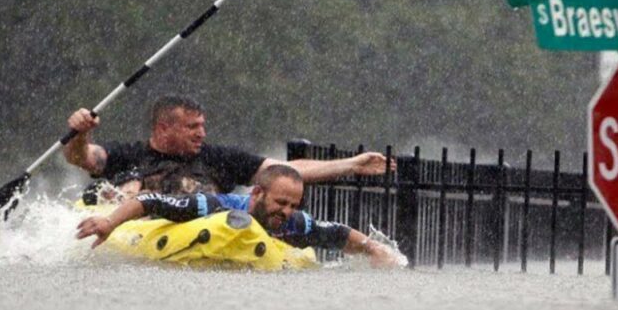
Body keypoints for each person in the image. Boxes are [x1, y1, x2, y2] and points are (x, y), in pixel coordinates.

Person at [76, 164, 405, 269]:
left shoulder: (291, 221)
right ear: (257, 194)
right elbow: (151, 200)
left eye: (293, 205)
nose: (286, 212)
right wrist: (109, 222)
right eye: (280, 203)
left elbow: (337, 232)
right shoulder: (214, 205)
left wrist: (375, 249)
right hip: (172, 234)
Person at [64, 95, 393, 195]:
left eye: (203, 126)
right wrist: (80, 132)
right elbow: (83, 158)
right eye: (192, 127)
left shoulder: (220, 158)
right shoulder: (129, 155)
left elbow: (283, 171)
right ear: (164, 128)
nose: (201, 134)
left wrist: (350, 164)